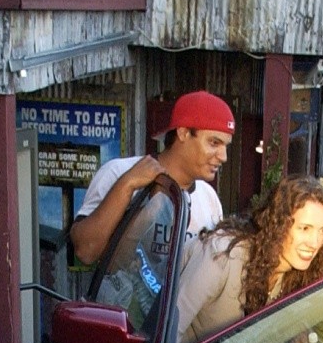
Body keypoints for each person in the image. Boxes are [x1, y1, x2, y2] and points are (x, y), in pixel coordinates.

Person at [172, 178, 323, 343]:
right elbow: (169, 331)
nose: (315, 243)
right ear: (278, 224)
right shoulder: (223, 254)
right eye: (305, 228)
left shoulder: (297, 277)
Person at [69, 92, 233, 265]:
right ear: (183, 133)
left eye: (226, 146)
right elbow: (85, 251)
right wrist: (127, 185)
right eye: (214, 143)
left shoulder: (209, 198)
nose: (223, 157)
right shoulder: (118, 172)